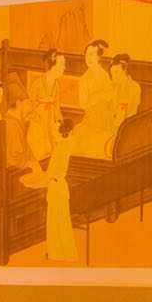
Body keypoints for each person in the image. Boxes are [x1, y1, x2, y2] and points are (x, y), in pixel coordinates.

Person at [72, 39, 116, 156]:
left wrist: (99, 96)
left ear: (98, 57)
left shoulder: (105, 75)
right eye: (87, 55)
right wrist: (96, 97)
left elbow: (111, 95)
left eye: (92, 54)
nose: (89, 58)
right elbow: (83, 104)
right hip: (91, 119)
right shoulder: (84, 79)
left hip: (106, 118)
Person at [43, 116, 79, 262]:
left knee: (57, 220)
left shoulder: (61, 147)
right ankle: (58, 252)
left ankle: (60, 253)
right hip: (58, 186)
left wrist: (42, 178)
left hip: (56, 186)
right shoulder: (65, 144)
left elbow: (52, 172)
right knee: (60, 220)